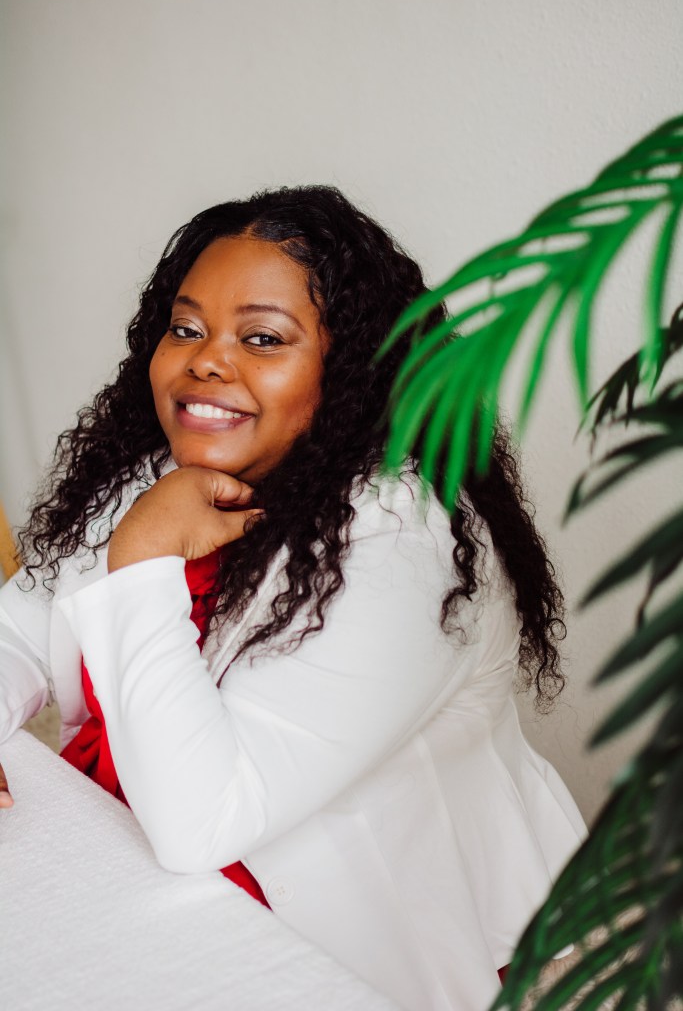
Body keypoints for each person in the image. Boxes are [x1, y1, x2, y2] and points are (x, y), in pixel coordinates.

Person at [0, 186, 585, 1010]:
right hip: (132, 854)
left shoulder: (408, 543)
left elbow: (202, 824)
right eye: (186, 328)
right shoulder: (161, 472)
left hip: (329, 934)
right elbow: (20, 629)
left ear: (351, 368)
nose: (206, 361)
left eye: (262, 338)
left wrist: (142, 560)